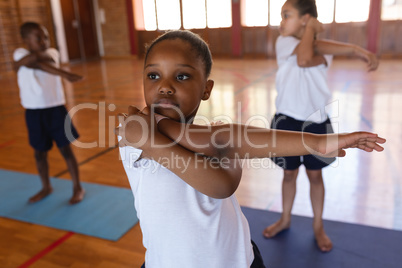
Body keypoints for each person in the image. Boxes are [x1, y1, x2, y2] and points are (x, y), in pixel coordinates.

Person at [116, 30, 385, 267]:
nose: (164, 86)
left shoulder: (185, 136)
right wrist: (314, 143)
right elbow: (219, 175)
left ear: (206, 89)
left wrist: (315, 143)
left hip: (239, 260)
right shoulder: (133, 134)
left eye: (182, 76)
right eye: (153, 75)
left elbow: (223, 155)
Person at [262, 0, 380, 252]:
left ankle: (318, 225)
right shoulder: (284, 42)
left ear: (305, 19)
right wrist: (313, 30)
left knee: (316, 176)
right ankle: (285, 218)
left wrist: (358, 49)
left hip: (317, 123)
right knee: (289, 174)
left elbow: (315, 49)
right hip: (286, 122)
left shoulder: (319, 46)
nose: (281, 21)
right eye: (281, 16)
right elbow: (304, 59)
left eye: (287, 15)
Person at [13, 22, 85, 204]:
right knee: (39, 153)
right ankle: (46, 187)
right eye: (39, 38)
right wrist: (64, 74)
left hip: (55, 109)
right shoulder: (19, 54)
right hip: (33, 112)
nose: (44, 41)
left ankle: (77, 187)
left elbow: (39, 61)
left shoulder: (52, 52)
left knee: (66, 150)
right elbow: (29, 63)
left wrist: (38, 59)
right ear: (25, 40)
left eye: (46, 37)